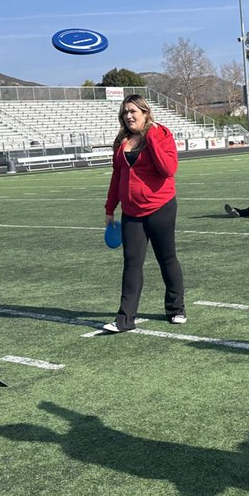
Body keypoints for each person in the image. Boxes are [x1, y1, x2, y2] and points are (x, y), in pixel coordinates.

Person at [102, 95, 186, 332]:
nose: (128, 116)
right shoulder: (122, 141)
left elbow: (168, 169)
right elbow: (117, 177)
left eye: (133, 111)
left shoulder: (162, 135)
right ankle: (125, 319)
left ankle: (176, 309)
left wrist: (151, 138)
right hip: (132, 212)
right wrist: (110, 209)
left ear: (145, 113)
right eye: (125, 112)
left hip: (161, 207)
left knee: (166, 258)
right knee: (131, 263)